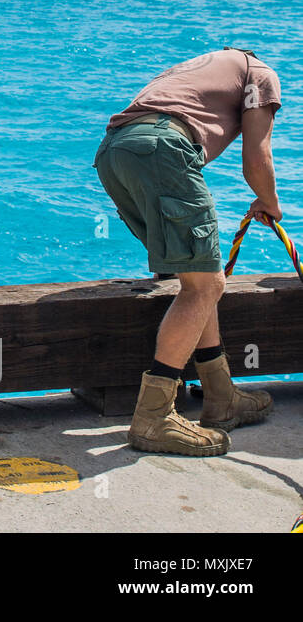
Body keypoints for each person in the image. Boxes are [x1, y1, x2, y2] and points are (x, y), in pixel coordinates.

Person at [93, 48, 283, 456]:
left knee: (199, 277)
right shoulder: (261, 74)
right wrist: (269, 202)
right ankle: (153, 418)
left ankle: (220, 396)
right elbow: (257, 158)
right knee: (205, 285)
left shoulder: (202, 67)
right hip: (161, 147)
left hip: (115, 152)